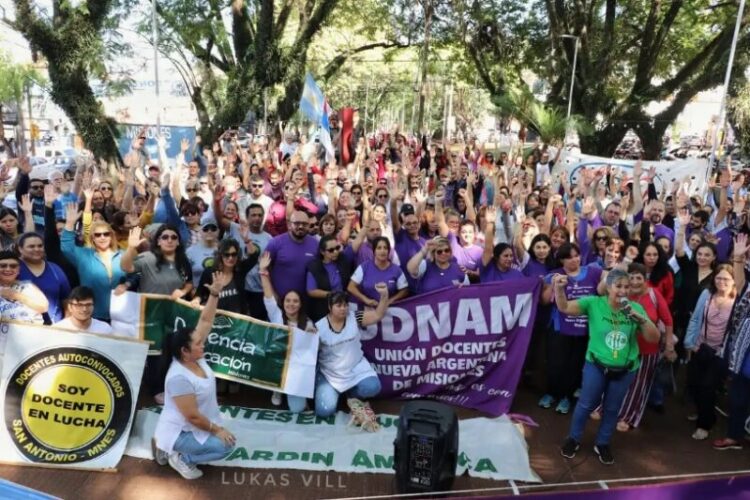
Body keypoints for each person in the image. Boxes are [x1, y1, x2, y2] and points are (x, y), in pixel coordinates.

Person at [556, 269, 659, 465]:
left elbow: (654, 339)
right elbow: (564, 307)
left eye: (626, 287)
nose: (623, 291)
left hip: (625, 369)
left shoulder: (635, 308)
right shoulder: (594, 303)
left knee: (612, 409)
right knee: (586, 404)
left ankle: (602, 443)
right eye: (618, 286)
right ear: (608, 287)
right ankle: (573, 439)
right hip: (596, 365)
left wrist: (641, 319)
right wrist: (559, 289)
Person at [153, 271, 236, 480]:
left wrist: (215, 295)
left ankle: (164, 447)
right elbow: (192, 416)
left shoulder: (194, 357)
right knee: (225, 447)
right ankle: (181, 457)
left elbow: (206, 320)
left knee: (224, 440)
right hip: (182, 430)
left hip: (193, 426)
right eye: (199, 343)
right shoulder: (179, 378)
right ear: (185, 351)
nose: (203, 343)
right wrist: (217, 430)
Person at [540, 243, 603, 414]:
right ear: (561, 260)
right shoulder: (553, 274)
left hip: (583, 327)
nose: (575, 259)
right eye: (569, 257)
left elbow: (607, 284)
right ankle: (551, 393)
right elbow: (544, 301)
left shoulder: (594, 272)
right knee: (555, 362)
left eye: (577, 255)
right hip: (559, 326)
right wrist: (553, 286)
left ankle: (567, 397)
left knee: (575, 364)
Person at [315, 286, 390, 431]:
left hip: (355, 368)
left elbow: (377, 315)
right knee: (324, 411)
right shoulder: (319, 327)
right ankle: (332, 391)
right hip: (331, 375)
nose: (343, 308)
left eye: (345, 305)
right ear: (330, 307)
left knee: (373, 387)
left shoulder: (354, 317)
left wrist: (384, 296)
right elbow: (310, 353)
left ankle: (352, 397)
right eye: (338, 305)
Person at [684, 264, 736, 440]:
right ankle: (705, 413)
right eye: (718, 278)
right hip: (700, 347)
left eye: (726, 279)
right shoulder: (707, 294)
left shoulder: (737, 301)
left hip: (719, 353)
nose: (721, 282)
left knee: (708, 387)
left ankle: (704, 425)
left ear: (734, 282)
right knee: (695, 385)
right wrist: (690, 343)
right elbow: (696, 318)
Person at [258, 252, 314, 411]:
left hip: (296, 371)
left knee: (297, 409)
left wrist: (311, 335)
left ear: (300, 304)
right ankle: (277, 390)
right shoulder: (276, 315)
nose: (291, 304)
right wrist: (263, 272)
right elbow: (268, 296)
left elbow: (310, 352)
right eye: (288, 300)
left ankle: (296, 392)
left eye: (295, 301)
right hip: (277, 366)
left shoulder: (307, 322)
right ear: (283, 302)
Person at [713, 234, 750, 451]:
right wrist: (737, 259)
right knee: (738, 398)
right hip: (743, 353)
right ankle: (734, 436)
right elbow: (741, 283)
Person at [61, 203, 126, 322]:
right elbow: (66, 247)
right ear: (92, 239)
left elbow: (136, 274)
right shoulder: (84, 255)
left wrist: (127, 284)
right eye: (97, 235)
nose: (102, 237)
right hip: (92, 316)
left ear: (112, 236)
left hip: (121, 316)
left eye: (106, 234)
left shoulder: (123, 254)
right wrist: (70, 223)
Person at [265, 210, 319, 302]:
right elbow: (264, 269)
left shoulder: (315, 244)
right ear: (289, 225)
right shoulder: (275, 243)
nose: (301, 226)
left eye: (304, 224)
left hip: (306, 302)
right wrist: (272, 293)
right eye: (297, 223)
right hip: (280, 300)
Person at [18, 232, 70, 323]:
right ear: (20, 249)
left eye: (40, 246)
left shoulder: (55, 269)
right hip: (22, 327)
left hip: (54, 327)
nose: (37, 249)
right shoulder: (11, 268)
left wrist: (67, 325)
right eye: (31, 246)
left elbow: (66, 301)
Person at [196, 238, 258, 315]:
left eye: (234, 254)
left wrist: (247, 240)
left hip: (238, 321)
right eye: (226, 255)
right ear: (220, 255)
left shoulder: (240, 269)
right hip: (216, 319)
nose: (230, 258)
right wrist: (196, 300)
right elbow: (199, 294)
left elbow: (254, 256)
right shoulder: (209, 272)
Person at [348, 236, 408, 306]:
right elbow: (351, 287)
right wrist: (365, 300)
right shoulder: (364, 267)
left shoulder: (396, 270)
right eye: (379, 248)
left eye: (385, 248)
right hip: (365, 309)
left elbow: (405, 290)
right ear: (374, 251)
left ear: (388, 251)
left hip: (389, 310)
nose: (382, 251)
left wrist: (391, 300)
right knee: (358, 317)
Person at [306, 235, 354, 321]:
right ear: (322, 251)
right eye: (331, 250)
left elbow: (357, 242)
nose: (335, 251)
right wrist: (332, 295)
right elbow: (311, 291)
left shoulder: (343, 259)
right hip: (324, 310)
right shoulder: (314, 267)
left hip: (343, 307)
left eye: (337, 248)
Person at [0, 250, 49, 323]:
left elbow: (44, 307)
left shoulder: (28, 286)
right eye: (3, 266)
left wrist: (15, 295)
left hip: (33, 331)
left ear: (18, 270)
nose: (8, 269)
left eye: (13, 266)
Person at [480, 206, 524, 282]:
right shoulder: (487, 269)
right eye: (506, 256)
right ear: (496, 257)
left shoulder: (517, 274)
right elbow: (488, 248)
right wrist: (490, 223)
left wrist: (520, 223)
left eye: (511, 256)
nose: (509, 259)